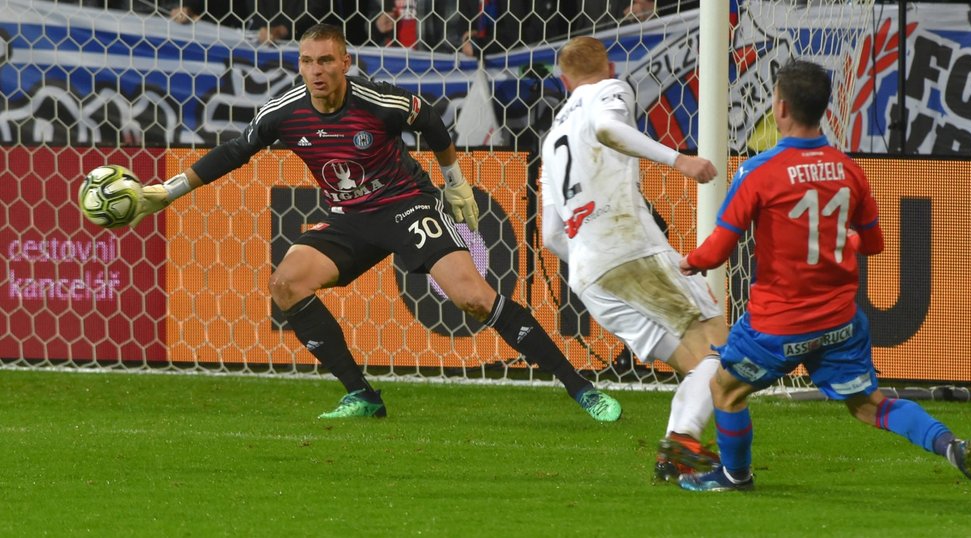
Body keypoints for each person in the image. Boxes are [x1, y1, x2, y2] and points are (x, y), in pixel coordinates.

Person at [128, 23, 622, 422]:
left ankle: (579, 387)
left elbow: (430, 120)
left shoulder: (377, 101)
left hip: (406, 205)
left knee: (473, 296)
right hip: (347, 218)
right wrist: (166, 193)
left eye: (326, 60)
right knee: (287, 284)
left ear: (345, 63)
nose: (316, 71)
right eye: (306, 61)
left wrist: (454, 182)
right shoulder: (284, 113)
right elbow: (236, 151)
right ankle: (362, 396)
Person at [676, 60, 971, 500]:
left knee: (725, 388)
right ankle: (952, 446)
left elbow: (719, 250)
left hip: (778, 324)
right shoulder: (848, 169)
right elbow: (874, 244)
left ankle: (735, 476)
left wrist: (690, 262)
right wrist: (847, 238)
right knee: (869, 405)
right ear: (822, 108)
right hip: (838, 323)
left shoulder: (758, 171)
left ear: (779, 107)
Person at [539, 36, 725, 480]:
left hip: (588, 275)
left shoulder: (551, 139)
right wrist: (679, 160)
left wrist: (594, 256)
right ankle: (681, 449)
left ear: (563, 80)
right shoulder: (607, 91)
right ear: (610, 66)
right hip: (628, 249)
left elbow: (550, 235)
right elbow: (607, 129)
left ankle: (678, 454)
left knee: (698, 364)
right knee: (724, 351)